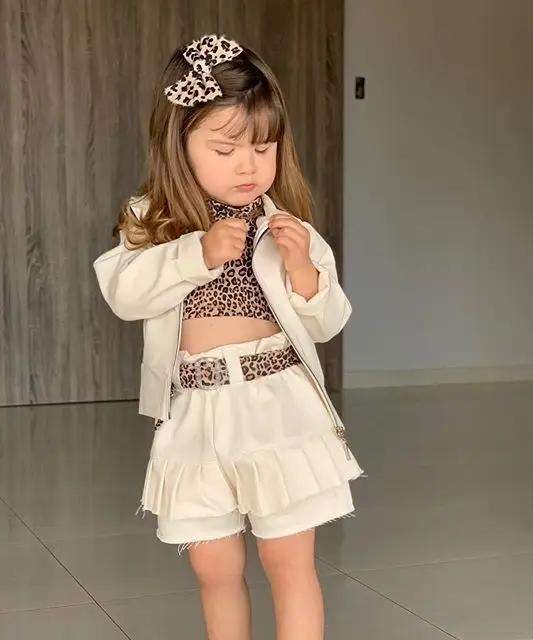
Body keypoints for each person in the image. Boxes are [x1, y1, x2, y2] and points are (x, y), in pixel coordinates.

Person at [93, 34, 362, 640]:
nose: (249, 166)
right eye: (225, 148)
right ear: (178, 145)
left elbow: (328, 321)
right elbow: (124, 293)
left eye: (263, 148)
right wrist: (196, 253)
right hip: (195, 410)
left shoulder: (284, 223)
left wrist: (303, 271)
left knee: (288, 561)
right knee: (213, 568)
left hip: (278, 407)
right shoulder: (151, 219)